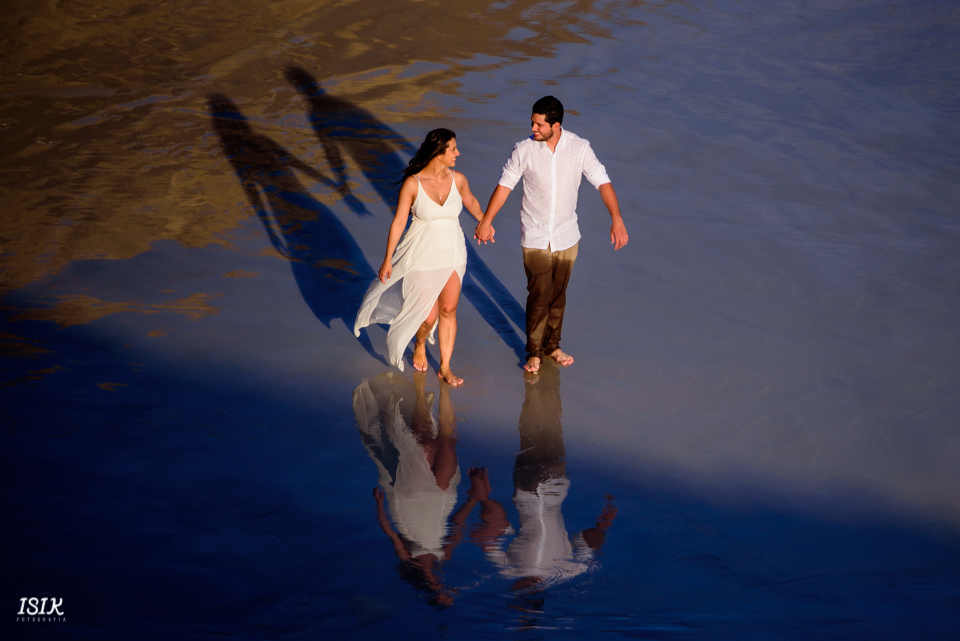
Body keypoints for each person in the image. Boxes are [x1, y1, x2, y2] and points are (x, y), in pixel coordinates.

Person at [474, 96, 628, 373]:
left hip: (567, 234)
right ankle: (533, 351)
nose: (533, 128)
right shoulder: (524, 150)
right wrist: (487, 220)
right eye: (532, 122)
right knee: (539, 293)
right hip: (534, 235)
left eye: (538, 124)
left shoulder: (580, 148)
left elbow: (602, 182)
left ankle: (553, 346)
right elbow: (505, 185)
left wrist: (616, 219)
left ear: (555, 125)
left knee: (558, 295)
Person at [354, 129, 487, 385]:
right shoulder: (413, 184)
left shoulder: (458, 179)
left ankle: (446, 368)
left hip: (453, 252)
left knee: (448, 309)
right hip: (421, 255)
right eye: (453, 149)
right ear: (439, 153)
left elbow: (470, 202)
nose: (458, 153)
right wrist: (387, 259)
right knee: (428, 317)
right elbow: (399, 222)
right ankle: (420, 342)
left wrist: (484, 221)